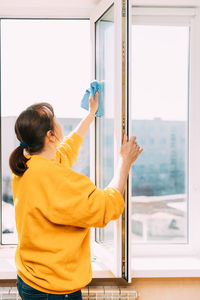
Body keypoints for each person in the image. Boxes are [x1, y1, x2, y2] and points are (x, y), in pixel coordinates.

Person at [9, 92, 143, 300]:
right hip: (52, 289)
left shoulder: (26, 167)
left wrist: (90, 115)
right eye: (56, 121)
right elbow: (107, 207)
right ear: (51, 135)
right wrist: (124, 162)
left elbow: (66, 149)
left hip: (29, 279)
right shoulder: (59, 179)